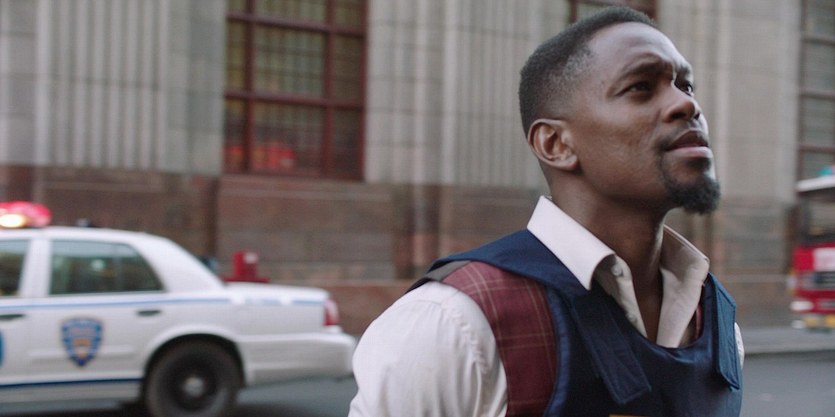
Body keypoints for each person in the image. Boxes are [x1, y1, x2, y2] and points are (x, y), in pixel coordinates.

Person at [349, 6, 744, 417]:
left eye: (686, 85)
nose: (686, 105)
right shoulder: (454, 324)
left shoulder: (718, 326)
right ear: (556, 144)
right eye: (641, 87)